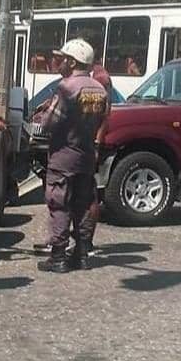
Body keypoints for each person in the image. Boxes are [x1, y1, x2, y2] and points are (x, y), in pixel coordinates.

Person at [33, 39, 109, 273]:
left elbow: (48, 124)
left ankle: (58, 258)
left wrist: (42, 113)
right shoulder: (99, 89)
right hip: (86, 157)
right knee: (84, 205)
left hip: (63, 157)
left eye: (63, 58)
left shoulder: (67, 88)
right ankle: (82, 254)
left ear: (73, 61)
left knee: (59, 205)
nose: (59, 62)